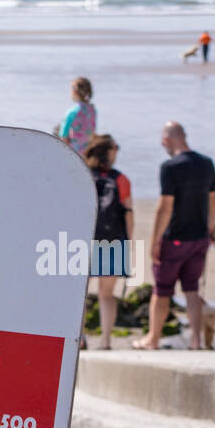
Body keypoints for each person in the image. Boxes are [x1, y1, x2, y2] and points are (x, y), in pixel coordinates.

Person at [135, 121, 215, 351]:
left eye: (163, 141)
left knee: (162, 291)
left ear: (168, 140)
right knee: (192, 289)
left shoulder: (170, 167)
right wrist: (210, 231)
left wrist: (155, 242)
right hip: (200, 237)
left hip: (175, 238)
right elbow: (213, 202)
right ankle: (196, 341)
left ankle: (152, 340)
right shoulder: (206, 163)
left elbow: (165, 207)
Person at [84, 135, 133, 350]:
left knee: (80, 294)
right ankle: (105, 341)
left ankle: (81, 339)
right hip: (113, 240)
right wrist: (128, 242)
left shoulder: (82, 175)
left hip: (83, 240)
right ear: (109, 152)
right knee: (106, 295)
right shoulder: (121, 179)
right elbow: (128, 213)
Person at [58, 77, 96, 154]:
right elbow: (92, 129)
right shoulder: (92, 110)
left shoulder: (73, 111)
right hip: (87, 150)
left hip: (73, 150)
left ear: (74, 92)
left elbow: (63, 134)